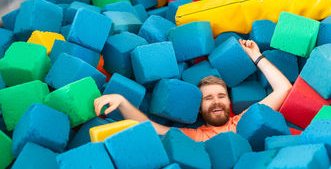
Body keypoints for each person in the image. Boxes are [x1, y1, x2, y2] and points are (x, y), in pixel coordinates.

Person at [94, 39, 292, 141]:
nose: (216, 101)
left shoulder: (245, 120)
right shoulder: (196, 136)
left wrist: (255, 56)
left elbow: (283, 89)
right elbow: (154, 130)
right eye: (208, 98)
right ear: (199, 109)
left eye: (221, 96)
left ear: (229, 103)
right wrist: (121, 101)